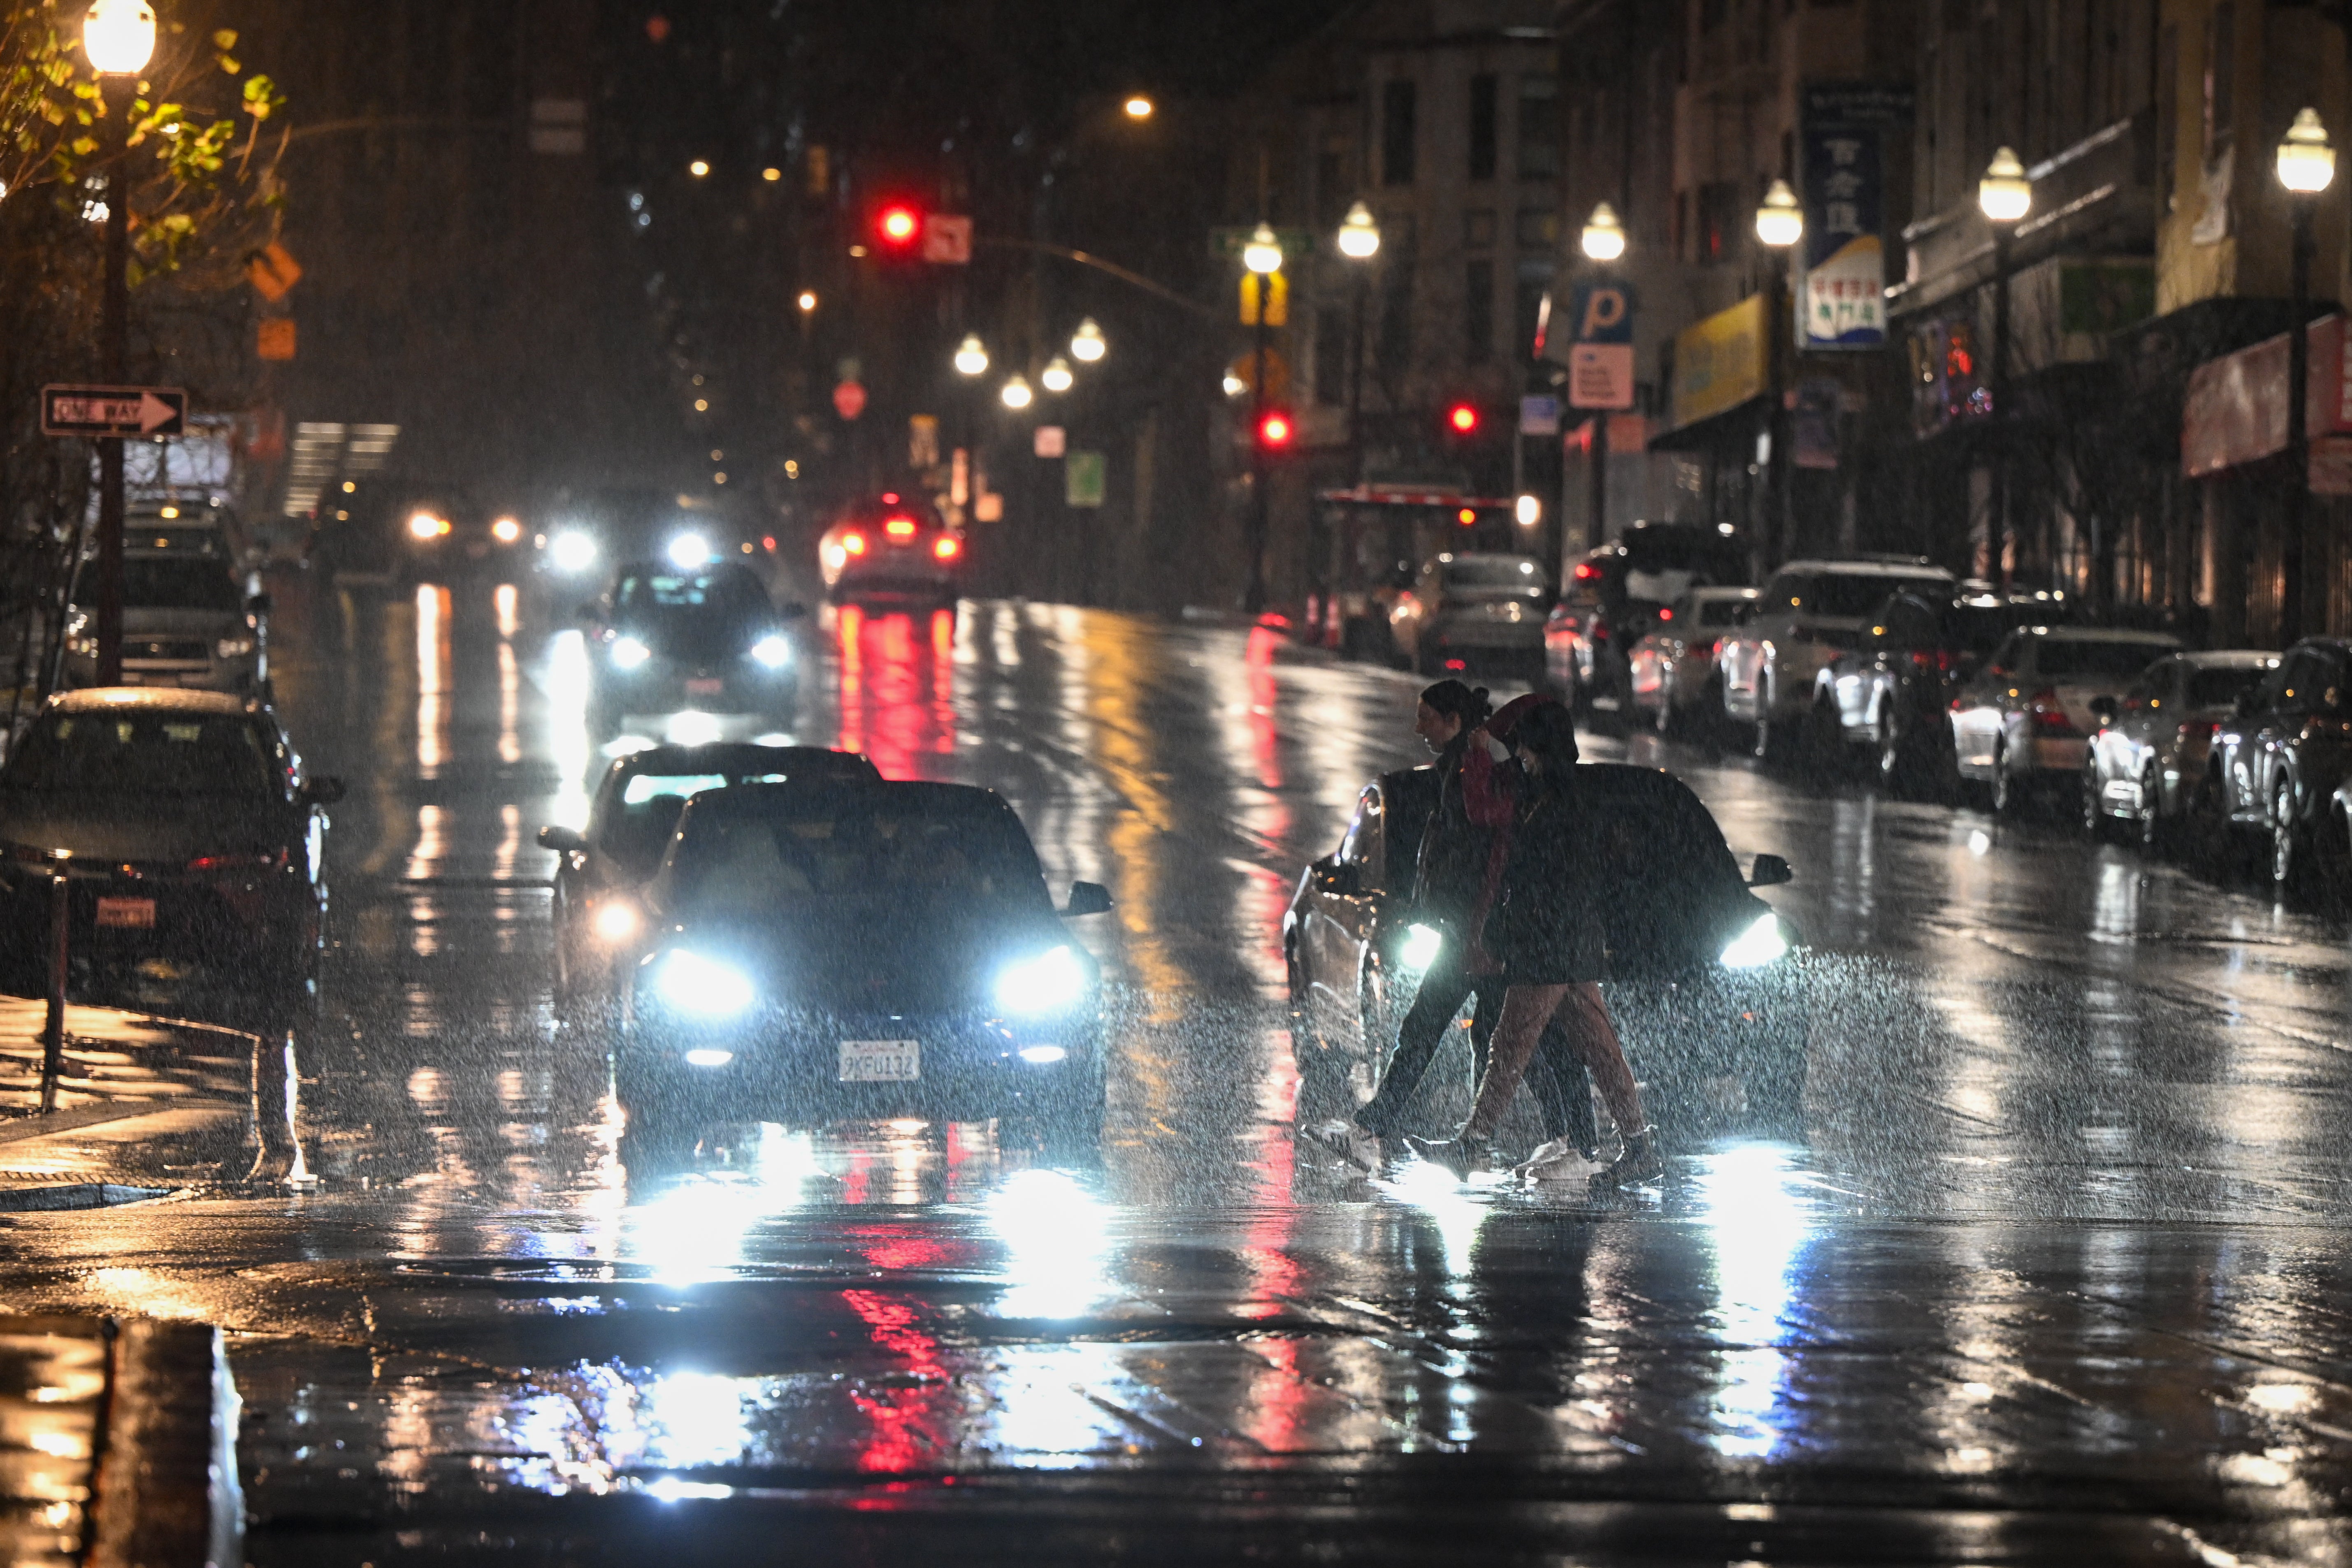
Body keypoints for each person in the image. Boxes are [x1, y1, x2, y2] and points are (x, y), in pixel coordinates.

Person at [1329, 684, 1595, 1163]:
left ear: (1454, 721)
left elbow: (1478, 824)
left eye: (1427, 717)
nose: (1418, 728)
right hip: (1473, 929)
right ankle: (1545, 1141)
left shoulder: (1493, 775)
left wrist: (1481, 738)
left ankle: (1567, 1142)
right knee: (1506, 1039)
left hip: (1484, 931)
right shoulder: (1461, 769)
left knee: (1522, 1040)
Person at [1407, 702, 1660, 1189]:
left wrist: (1512, 930)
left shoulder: (1559, 802)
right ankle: (1639, 1147)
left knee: (1509, 1045)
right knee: (1599, 1051)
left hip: (1551, 949)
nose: (1517, 752)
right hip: (1570, 947)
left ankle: (1472, 1143)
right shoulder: (1557, 793)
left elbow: (1551, 881)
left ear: (1541, 745)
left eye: (1524, 743)